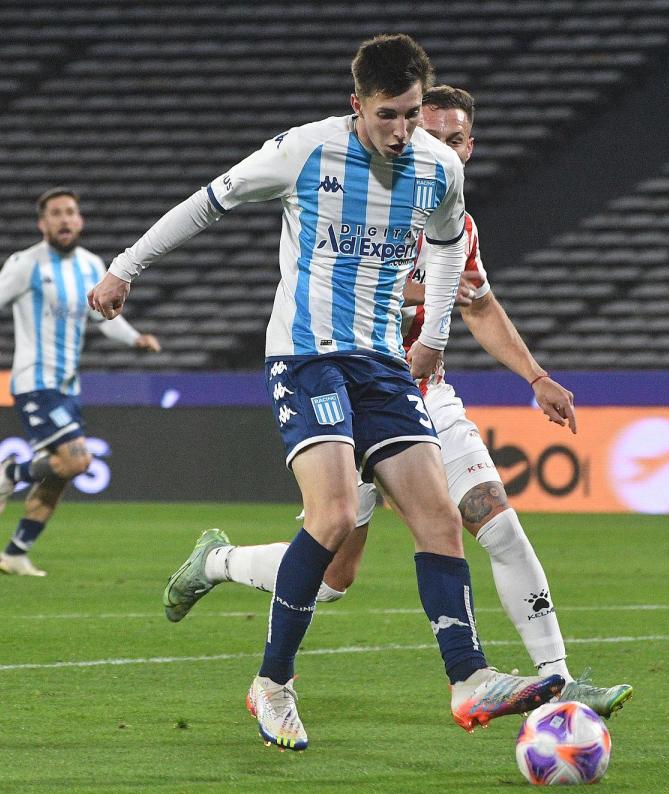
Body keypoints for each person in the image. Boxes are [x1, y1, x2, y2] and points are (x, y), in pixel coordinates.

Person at [87, 35, 563, 751]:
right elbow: (209, 201)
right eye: (387, 116)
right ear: (356, 107)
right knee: (335, 513)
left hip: (379, 363)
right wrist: (126, 267)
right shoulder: (304, 152)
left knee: (437, 514)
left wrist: (432, 332)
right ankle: (272, 682)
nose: (402, 131)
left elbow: (445, 247)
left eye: (409, 114)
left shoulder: (437, 167)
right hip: (306, 354)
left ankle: (467, 675)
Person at [162, 86, 633, 718]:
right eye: (429, 131)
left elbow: (481, 304)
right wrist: (422, 295)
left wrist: (535, 375)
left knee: (493, 517)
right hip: (351, 385)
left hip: (424, 397)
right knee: (332, 575)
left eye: (454, 137)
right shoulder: (372, 197)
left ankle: (556, 678)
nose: (438, 145)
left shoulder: (453, 219)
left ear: (470, 146)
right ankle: (218, 562)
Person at [0, 187, 161, 577]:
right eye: (55, 213)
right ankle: (10, 474)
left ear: (80, 221)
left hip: (68, 387)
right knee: (76, 460)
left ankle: (15, 553)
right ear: (42, 224)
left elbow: (103, 317)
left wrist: (135, 338)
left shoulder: (92, 266)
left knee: (59, 476)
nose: (64, 219)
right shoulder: (25, 263)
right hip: (34, 382)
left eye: (70, 212)